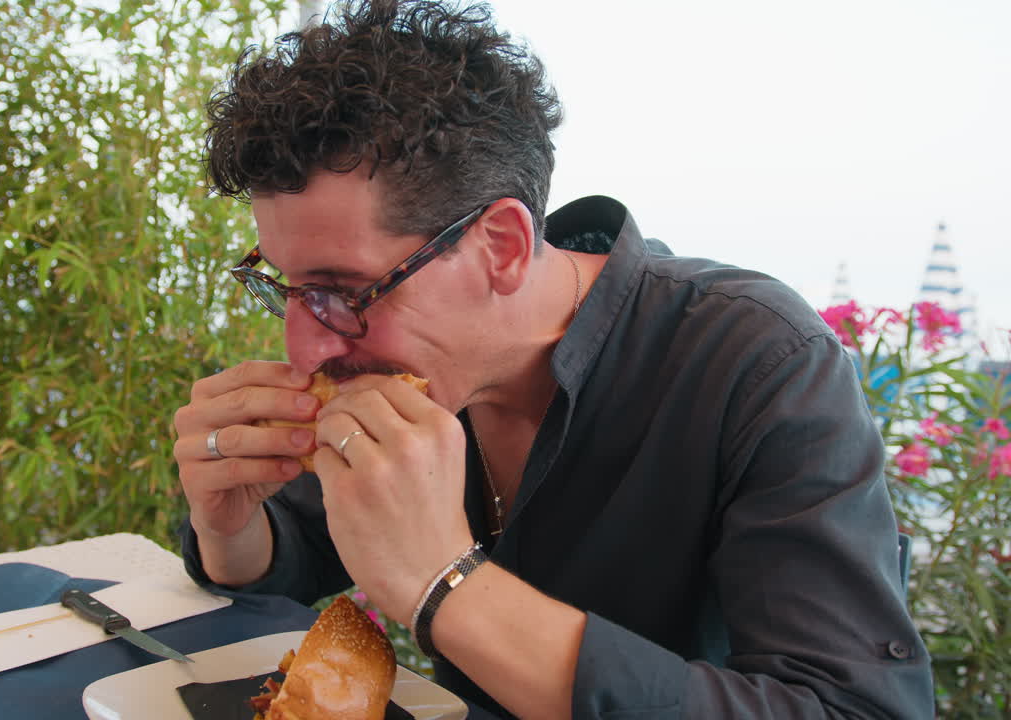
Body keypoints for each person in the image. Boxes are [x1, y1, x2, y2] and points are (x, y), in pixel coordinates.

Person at [173, 0, 934, 717]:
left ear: (500, 247)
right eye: (287, 289)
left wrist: (446, 587)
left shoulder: (757, 363)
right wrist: (229, 523)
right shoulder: (403, 370)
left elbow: (849, 705)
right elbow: (299, 551)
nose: (305, 347)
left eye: (344, 291)